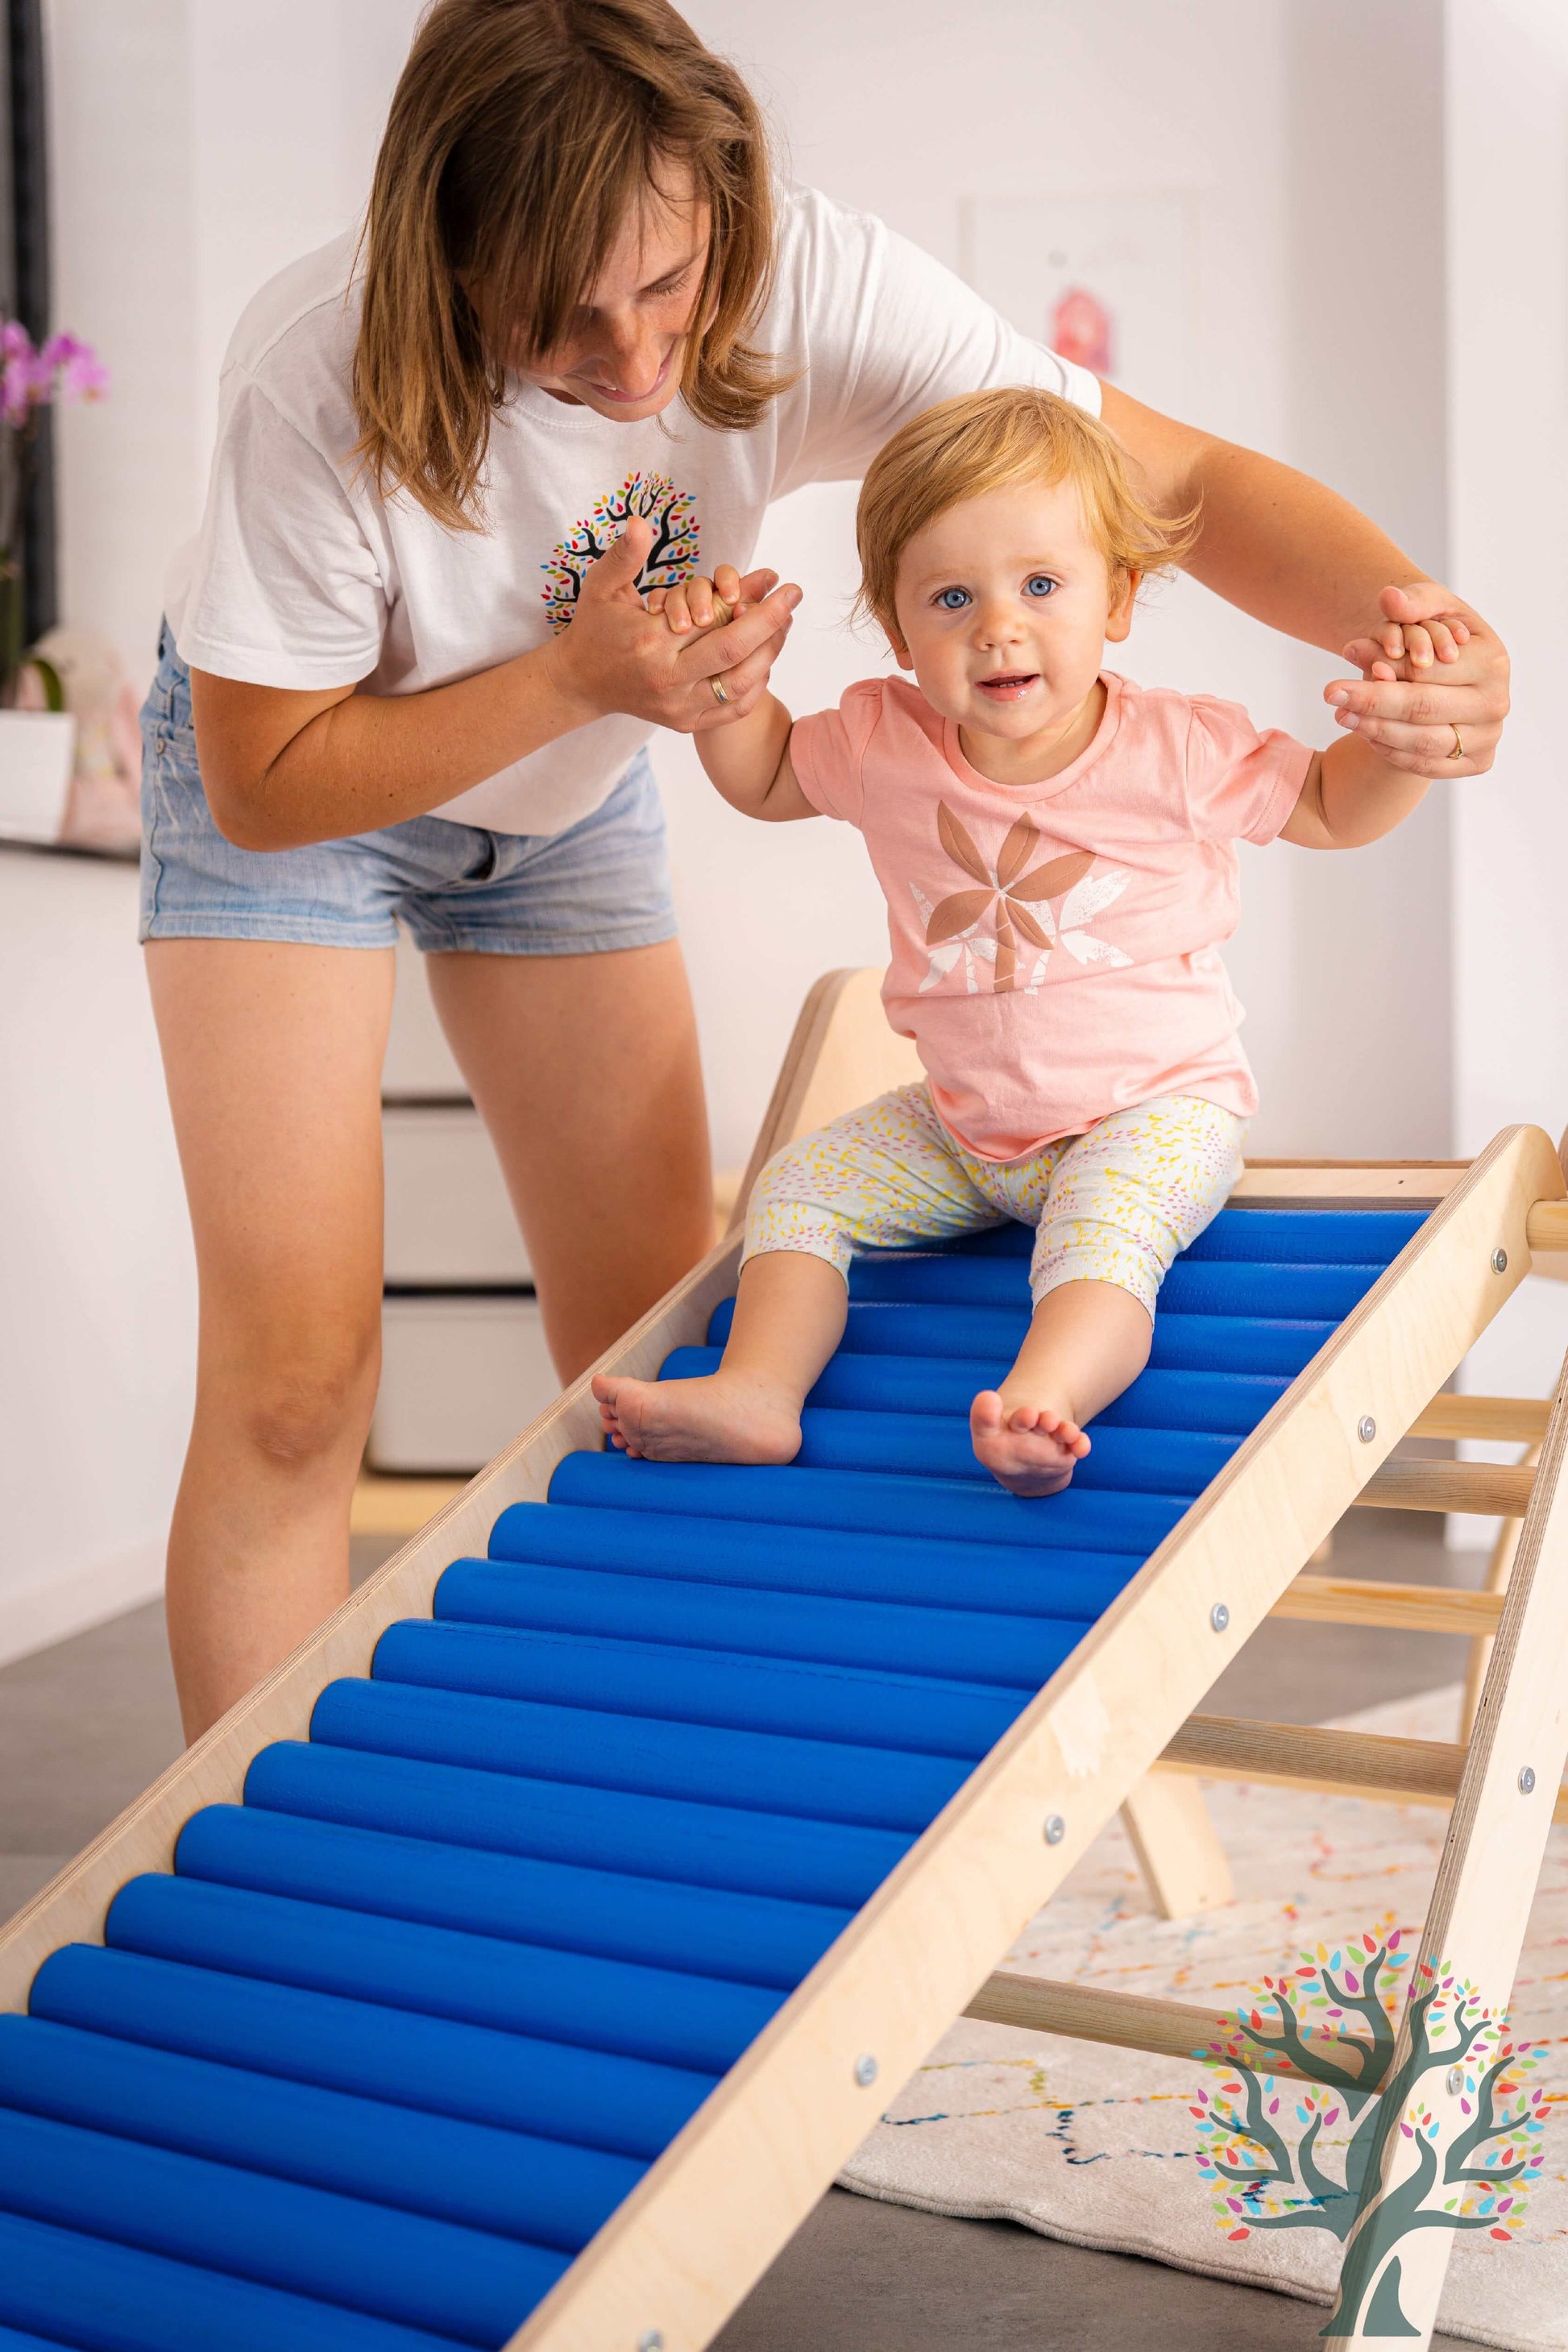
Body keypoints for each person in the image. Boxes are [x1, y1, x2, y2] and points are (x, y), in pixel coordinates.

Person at [143, 0, 1508, 1741]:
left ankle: (636, 1748)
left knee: (658, 1322)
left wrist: (1427, 640)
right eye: (562, 317)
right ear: (446, 250)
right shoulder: (315, 373)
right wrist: (581, 675)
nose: (636, 364)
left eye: (669, 287)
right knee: (296, 1376)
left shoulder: (811, 283)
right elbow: (267, 785)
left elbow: (1165, 477)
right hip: (307, 774)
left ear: (726, 209)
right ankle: (247, 1860)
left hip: (572, 776)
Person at [592, 388, 1454, 1494]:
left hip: (1149, 1112)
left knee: (1098, 1244)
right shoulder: (880, 741)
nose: (997, 626)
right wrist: (725, 689)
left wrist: (1400, 746)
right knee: (797, 1185)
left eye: (1041, 586)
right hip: (965, 1131)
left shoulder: (1173, 747)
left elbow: (1332, 808)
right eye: (950, 598)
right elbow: (763, 777)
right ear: (899, 633)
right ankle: (759, 1392)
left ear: (1118, 600)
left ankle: (1046, 1397)